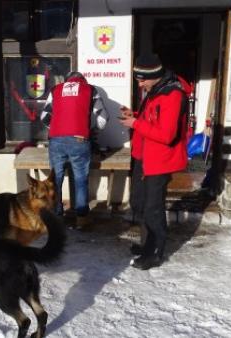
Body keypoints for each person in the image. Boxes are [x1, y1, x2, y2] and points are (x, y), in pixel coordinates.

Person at [119, 54, 189, 270]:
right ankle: (145, 245)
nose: (139, 84)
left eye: (142, 80)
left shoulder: (173, 94)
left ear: (155, 76)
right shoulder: (154, 90)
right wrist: (136, 115)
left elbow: (166, 134)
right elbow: (152, 117)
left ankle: (155, 253)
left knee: (153, 209)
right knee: (139, 203)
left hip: (159, 160)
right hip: (144, 157)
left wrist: (135, 124)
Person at [40, 71, 108, 228]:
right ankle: (81, 220)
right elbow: (103, 119)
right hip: (79, 139)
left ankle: (56, 219)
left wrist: (58, 129)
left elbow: (44, 117)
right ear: (82, 81)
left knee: (55, 180)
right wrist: (90, 129)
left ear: (67, 80)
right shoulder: (90, 89)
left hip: (56, 140)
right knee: (80, 180)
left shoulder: (56, 90)